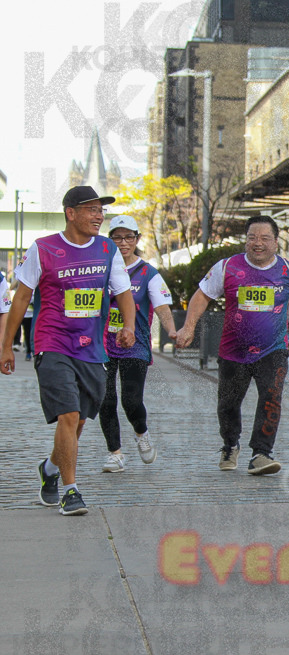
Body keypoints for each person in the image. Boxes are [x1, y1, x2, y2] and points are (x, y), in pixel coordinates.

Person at [0, 186, 136, 516]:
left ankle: (49, 468)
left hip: (92, 348)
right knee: (69, 414)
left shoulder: (107, 249)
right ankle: (70, 490)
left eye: (100, 210)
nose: (99, 216)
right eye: (91, 209)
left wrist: (129, 326)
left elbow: (123, 292)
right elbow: (21, 298)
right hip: (52, 342)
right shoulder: (43, 248)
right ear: (70, 213)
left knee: (78, 422)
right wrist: (7, 346)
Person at [175, 215, 289, 475]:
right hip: (233, 351)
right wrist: (188, 327)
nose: (258, 243)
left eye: (265, 238)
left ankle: (261, 453)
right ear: (246, 241)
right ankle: (230, 444)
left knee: (271, 398)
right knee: (228, 404)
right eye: (252, 238)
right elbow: (202, 296)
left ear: (276, 242)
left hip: (273, 350)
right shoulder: (227, 267)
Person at [99, 215, 178, 473]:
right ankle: (115, 453)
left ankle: (141, 432)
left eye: (128, 237)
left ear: (137, 240)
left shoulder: (148, 273)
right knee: (105, 399)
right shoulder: (99, 268)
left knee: (131, 401)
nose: (123, 243)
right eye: (117, 237)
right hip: (101, 344)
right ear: (108, 241)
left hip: (135, 344)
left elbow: (163, 307)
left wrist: (172, 331)